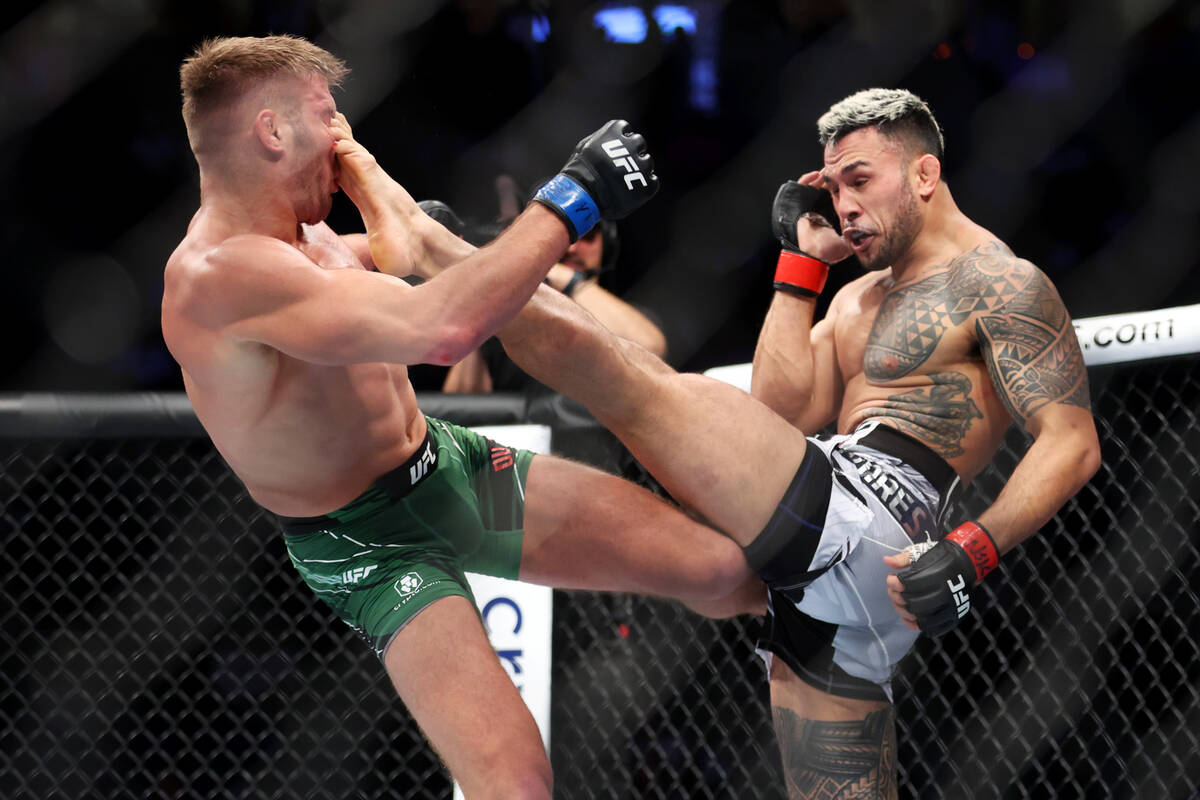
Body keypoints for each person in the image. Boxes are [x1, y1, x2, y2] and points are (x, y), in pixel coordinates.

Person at [396, 87, 1098, 797]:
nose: (847, 205)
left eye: (861, 180)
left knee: (633, 381)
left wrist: (974, 549)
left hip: (876, 515)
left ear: (923, 175)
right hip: (827, 583)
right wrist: (803, 266)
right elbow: (780, 411)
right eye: (835, 187)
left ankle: (451, 256)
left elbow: (1071, 443)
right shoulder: (858, 298)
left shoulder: (1000, 281)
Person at [161, 34, 757, 800]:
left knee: (718, 568)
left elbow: (403, 248)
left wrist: (370, 179)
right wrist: (572, 198)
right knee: (513, 782)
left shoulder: (310, 238)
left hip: (455, 471)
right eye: (327, 116)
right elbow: (443, 328)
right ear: (273, 131)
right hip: (370, 543)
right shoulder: (218, 275)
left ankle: (832, 643)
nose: (342, 134)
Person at [443, 212, 667, 394]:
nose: (571, 248)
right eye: (563, 235)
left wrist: (563, 277)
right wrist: (482, 306)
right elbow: (460, 406)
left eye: (587, 235)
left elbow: (651, 347)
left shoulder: (632, 317)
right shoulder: (503, 329)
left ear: (606, 246)